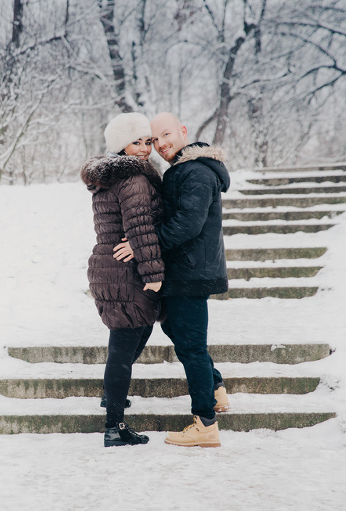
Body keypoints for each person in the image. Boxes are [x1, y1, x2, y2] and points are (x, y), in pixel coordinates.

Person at [113, 112, 230, 448]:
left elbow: (188, 224)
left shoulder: (196, 171)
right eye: (154, 139)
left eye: (166, 135)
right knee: (178, 333)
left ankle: (205, 423)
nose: (160, 144)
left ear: (183, 131)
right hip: (184, 271)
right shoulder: (182, 169)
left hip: (191, 272)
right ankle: (215, 389)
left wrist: (141, 245)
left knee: (191, 348)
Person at [80, 112, 165, 447]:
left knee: (136, 334)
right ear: (120, 145)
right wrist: (154, 274)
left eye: (147, 141)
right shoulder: (133, 178)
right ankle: (114, 427)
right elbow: (139, 228)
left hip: (109, 267)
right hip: (126, 271)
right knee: (123, 345)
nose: (144, 149)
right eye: (136, 142)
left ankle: (111, 398)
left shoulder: (108, 177)